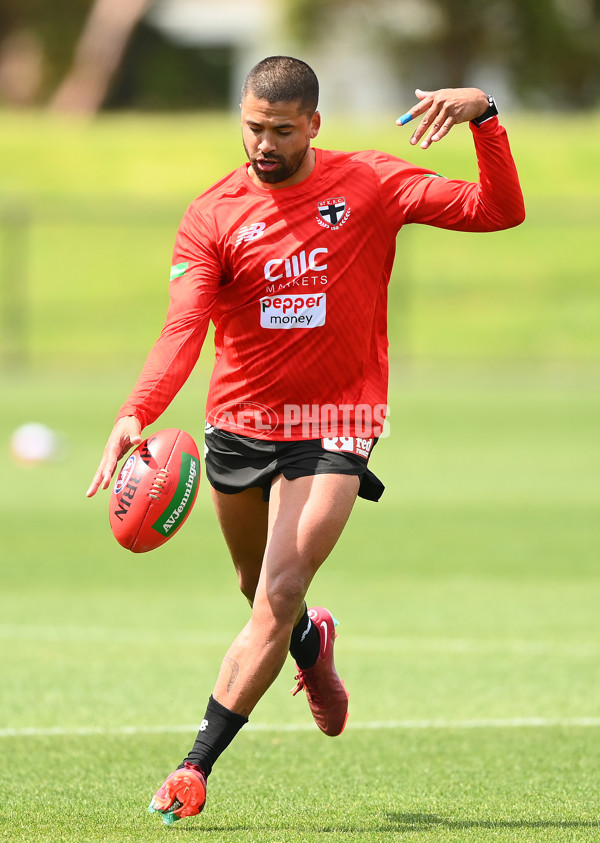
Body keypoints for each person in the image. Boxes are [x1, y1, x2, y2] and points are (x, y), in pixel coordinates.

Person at [87, 56, 525, 825]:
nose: (263, 143)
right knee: (260, 592)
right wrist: (137, 408)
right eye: (254, 127)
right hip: (240, 424)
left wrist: (485, 116)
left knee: (279, 590)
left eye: (281, 130)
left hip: (337, 423)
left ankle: (194, 767)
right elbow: (183, 328)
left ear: (314, 125)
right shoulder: (212, 214)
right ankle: (311, 650)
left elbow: (500, 210)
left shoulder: (371, 185)